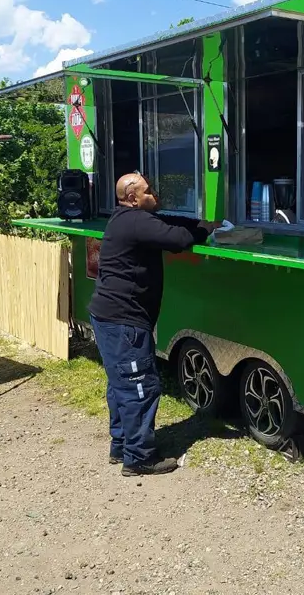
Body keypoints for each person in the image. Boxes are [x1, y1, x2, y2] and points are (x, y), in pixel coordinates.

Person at [88, 171, 220, 476]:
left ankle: (121, 445)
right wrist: (205, 230)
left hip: (108, 317)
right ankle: (138, 459)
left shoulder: (125, 218)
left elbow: (171, 221)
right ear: (133, 197)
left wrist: (203, 222)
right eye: (149, 192)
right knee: (139, 387)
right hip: (124, 322)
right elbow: (179, 238)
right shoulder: (136, 221)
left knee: (120, 385)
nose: (156, 195)